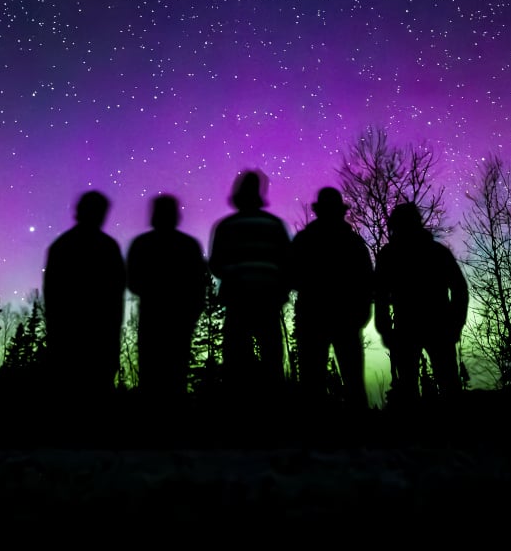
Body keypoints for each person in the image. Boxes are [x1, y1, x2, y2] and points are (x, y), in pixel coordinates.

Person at [374, 202, 468, 406]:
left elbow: (380, 295)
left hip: (421, 328)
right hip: (423, 328)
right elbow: (380, 295)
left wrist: (455, 324)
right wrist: (455, 323)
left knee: (436, 386)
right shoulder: (434, 251)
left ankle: (428, 432)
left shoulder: (390, 255)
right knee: (438, 385)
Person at [209, 169, 292, 396]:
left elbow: (215, 265)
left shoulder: (225, 226)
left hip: (238, 300)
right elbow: (288, 263)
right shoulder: (274, 225)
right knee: (272, 358)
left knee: (236, 359)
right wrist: (280, 291)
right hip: (268, 299)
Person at [290, 187, 375, 408]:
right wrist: (362, 312)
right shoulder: (352, 242)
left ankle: (322, 436)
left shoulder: (304, 239)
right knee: (349, 381)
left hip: (318, 317)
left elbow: (290, 275)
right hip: (336, 318)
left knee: (314, 382)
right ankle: (356, 437)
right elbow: (367, 281)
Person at [43, 190, 127, 400]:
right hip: (96, 344)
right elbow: (116, 300)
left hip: (69, 343)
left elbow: (51, 300)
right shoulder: (108, 247)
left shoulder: (61, 246)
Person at [127, 194, 208, 401]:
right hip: (178, 321)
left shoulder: (142, 244)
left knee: (152, 376)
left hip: (153, 319)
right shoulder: (189, 245)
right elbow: (199, 285)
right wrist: (191, 314)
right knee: (176, 376)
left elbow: (133, 282)